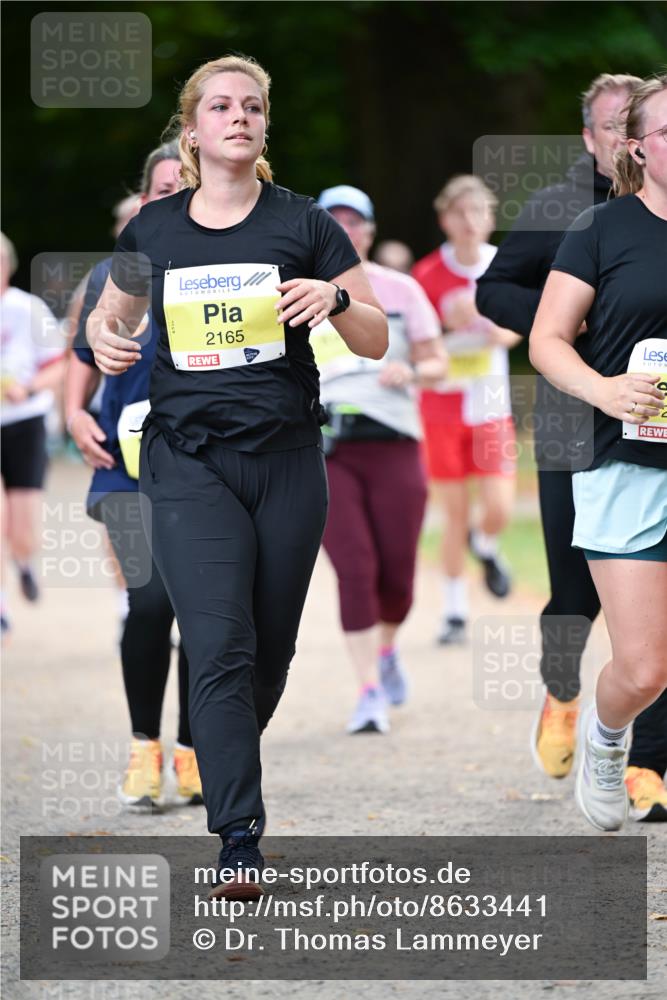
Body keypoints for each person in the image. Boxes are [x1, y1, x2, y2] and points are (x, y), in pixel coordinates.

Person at [86, 55, 387, 895]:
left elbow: (377, 337)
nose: (238, 116)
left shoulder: (306, 226)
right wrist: (111, 343)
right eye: (220, 105)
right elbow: (114, 320)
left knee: (268, 651)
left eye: (252, 105)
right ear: (193, 130)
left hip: (289, 459)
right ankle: (238, 837)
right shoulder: (155, 228)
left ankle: (211, 750)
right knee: (218, 640)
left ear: (263, 127)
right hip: (188, 462)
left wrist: (332, 301)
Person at [477, 72, 667, 824]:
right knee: (644, 663)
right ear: (636, 148)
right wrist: (605, 390)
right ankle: (603, 730)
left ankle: (650, 764)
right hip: (621, 459)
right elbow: (545, 337)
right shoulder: (593, 227)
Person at [66, 142, 203, 811]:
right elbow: (83, 355)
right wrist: (71, 411)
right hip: (125, 470)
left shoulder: (223, 265)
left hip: (205, 466)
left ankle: (195, 750)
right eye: (161, 187)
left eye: (184, 185)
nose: (172, 195)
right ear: (144, 199)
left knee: (206, 615)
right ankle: (144, 747)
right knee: (149, 604)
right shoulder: (114, 273)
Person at [315, 185, 446, 734]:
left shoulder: (401, 289)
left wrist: (412, 372)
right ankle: (367, 689)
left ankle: (387, 650)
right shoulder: (294, 288)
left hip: (394, 437)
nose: (346, 230)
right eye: (334, 221)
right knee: (355, 567)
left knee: (398, 574)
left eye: (356, 221)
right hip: (325, 447)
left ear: (369, 230)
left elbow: (437, 361)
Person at [412, 176, 520, 645]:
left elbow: (530, 323)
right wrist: (441, 325)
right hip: (442, 404)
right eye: (460, 212)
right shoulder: (427, 274)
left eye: (478, 212)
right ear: (445, 220)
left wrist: (504, 333)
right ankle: (454, 612)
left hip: (491, 401)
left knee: (498, 507)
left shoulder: (508, 267)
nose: (470, 221)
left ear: (491, 219)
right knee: (453, 514)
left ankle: (487, 544)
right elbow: (411, 340)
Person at [1, 233, 65, 635]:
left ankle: (23, 561)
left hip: (24, 423)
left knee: (22, 531)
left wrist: (27, 388)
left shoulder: (28, 309)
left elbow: (58, 366)